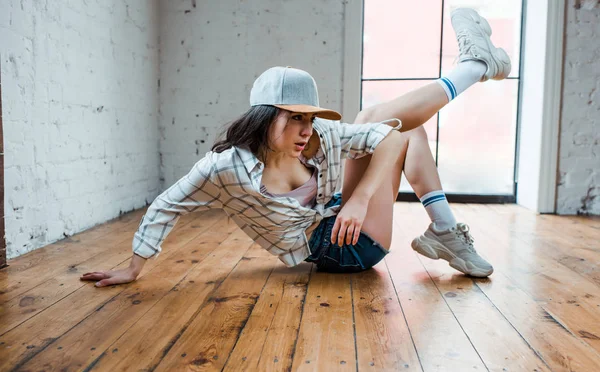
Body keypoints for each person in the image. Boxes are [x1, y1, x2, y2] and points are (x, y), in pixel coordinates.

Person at [81, 8, 511, 287]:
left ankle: (445, 231)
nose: (307, 129)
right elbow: (166, 205)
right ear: (265, 117)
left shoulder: (320, 139)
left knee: (390, 124)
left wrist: (359, 199)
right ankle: (473, 66)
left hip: (346, 215)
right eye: (294, 118)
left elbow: (394, 135)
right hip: (342, 249)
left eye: (310, 118)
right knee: (377, 120)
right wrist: (133, 268)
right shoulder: (225, 168)